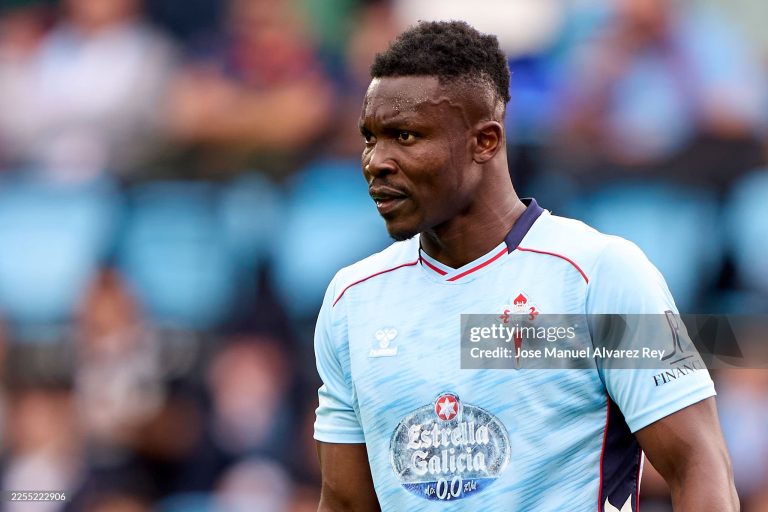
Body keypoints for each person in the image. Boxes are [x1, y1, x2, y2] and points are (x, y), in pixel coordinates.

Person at [313, 21, 738, 511]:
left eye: (405, 136)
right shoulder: (352, 300)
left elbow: (700, 468)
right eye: (370, 138)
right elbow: (345, 503)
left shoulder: (601, 275)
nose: (376, 161)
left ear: (485, 142)